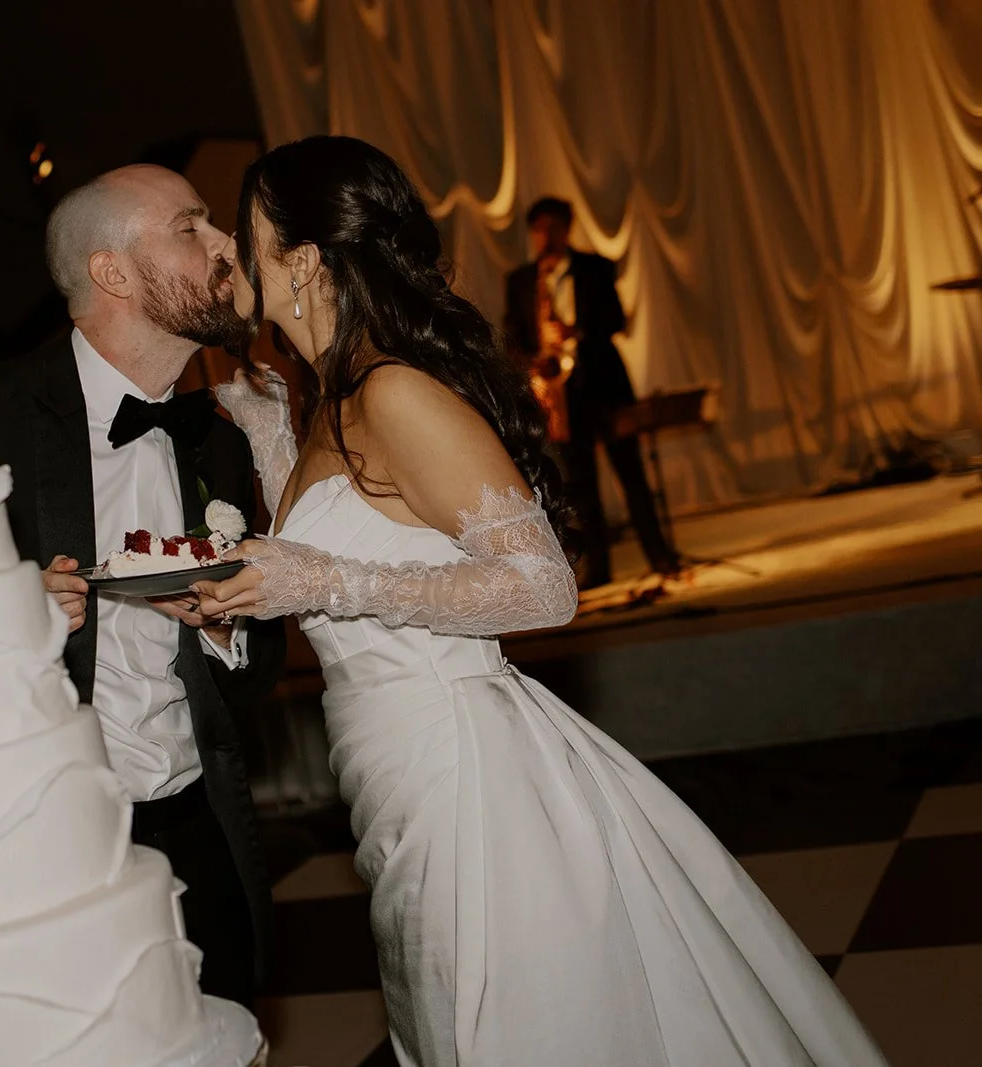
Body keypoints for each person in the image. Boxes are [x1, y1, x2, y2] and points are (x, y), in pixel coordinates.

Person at [195, 136, 885, 1066]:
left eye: (246, 234)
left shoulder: (397, 391)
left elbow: (543, 585)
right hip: (384, 759)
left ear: (306, 261)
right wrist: (271, 431)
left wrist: (324, 581)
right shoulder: (325, 399)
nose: (233, 253)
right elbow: (338, 541)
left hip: (462, 763)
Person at [0, 164, 286, 1005]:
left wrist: (225, 623)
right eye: (191, 227)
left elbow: (259, 670)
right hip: (50, 855)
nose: (227, 246)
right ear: (112, 272)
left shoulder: (218, 442)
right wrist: (7, 614)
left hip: (200, 827)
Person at [503, 196, 678, 587]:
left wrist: (577, 333)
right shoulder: (520, 281)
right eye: (539, 228)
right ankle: (599, 569)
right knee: (582, 487)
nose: (546, 236)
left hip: (604, 386)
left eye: (554, 226)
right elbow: (511, 336)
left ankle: (660, 556)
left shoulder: (595, 268)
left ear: (568, 229)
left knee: (631, 475)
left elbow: (616, 319)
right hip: (560, 399)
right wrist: (533, 361)